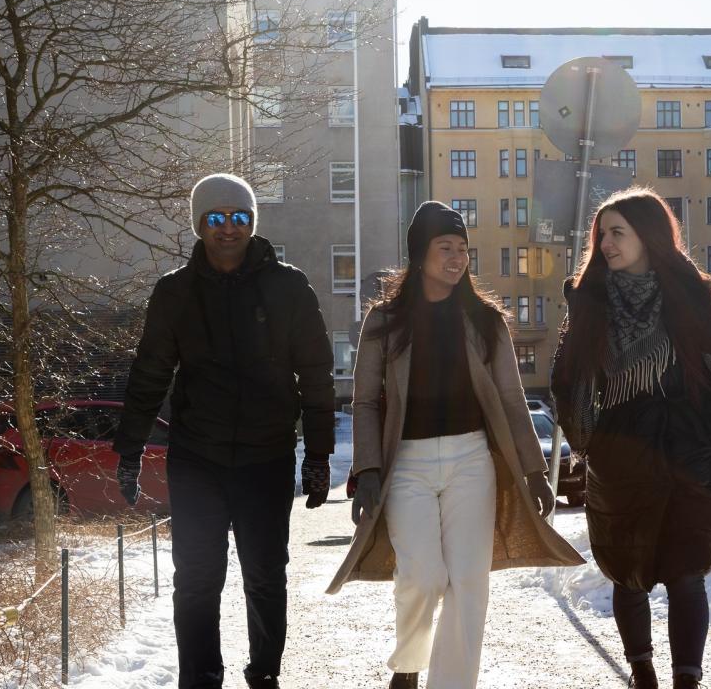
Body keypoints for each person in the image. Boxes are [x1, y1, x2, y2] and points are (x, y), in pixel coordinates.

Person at [326, 201, 583, 689]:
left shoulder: (486, 321)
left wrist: (532, 470)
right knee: (422, 577)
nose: (457, 257)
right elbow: (364, 402)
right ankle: (408, 664)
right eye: (445, 247)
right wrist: (369, 471)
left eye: (463, 249)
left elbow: (511, 397)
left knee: (469, 585)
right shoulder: (384, 322)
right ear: (420, 254)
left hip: (471, 461)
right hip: (408, 466)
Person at [112, 172, 336, 689]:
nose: (228, 228)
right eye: (216, 218)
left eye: (240, 218)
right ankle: (200, 678)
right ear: (199, 226)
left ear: (252, 223)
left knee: (264, 577)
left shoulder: (289, 286)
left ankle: (264, 675)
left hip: (266, 457)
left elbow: (317, 373)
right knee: (196, 580)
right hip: (197, 458)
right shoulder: (175, 293)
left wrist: (319, 454)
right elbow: (150, 372)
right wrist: (130, 450)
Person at [550, 187, 711, 689]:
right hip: (621, 453)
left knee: (688, 571)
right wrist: (589, 438)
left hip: (687, 449)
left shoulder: (691, 291)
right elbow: (568, 380)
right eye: (602, 235)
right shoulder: (589, 299)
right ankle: (642, 672)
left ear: (649, 236)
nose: (607, 244)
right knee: (628, 567)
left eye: (618, 233)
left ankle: (688, 679)